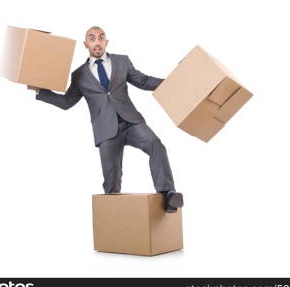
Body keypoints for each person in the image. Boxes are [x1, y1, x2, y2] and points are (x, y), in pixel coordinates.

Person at [28, 26, 183, 213]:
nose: (97, 41)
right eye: (92, 38)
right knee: (112, 179)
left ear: (106, 42)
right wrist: (40, 91)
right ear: (86, 44)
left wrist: (174, 81)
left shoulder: (122, 61)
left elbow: (143, 81)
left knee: (156, 144)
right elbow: (67, 102)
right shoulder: (79, 75)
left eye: (101, 38)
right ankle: (114, 220)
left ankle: (168, 194)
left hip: (131, 121)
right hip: (106, 131)